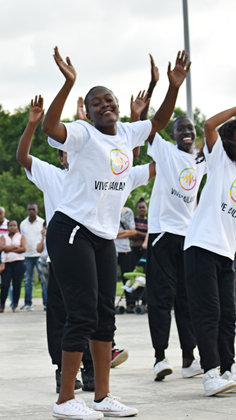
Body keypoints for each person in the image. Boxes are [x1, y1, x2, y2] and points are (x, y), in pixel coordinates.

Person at [41, 46, 188, 419]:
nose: (105, 105)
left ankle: (103, 397)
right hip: (71, 229)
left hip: (103, 236)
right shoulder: (83, 135)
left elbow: (158, 121)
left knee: (106, 315)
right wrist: (67, 83)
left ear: (118, 107)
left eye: (110, 100)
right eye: (97, 102)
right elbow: (49, 127)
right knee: (82, 314)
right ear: (88, 112)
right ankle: (65, 400)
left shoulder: (126, 132)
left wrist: (172, 87)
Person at [18, 94, 156, 396]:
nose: (70, 153)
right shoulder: (52, 174)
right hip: (64, 250)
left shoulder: (100, 161)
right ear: (62, 154)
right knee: (66, 316)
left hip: (96, 243)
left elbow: (123, 156)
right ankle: (64, 379)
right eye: (65, 150)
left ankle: (96, 380)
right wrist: (33, 124)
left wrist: (137, 116)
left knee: (98, 313)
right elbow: (25, 155)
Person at [145, 105, 208, 381]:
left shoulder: (199, 161)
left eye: (190, 129)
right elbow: (147, 128)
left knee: (186, 299)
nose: (186, 132)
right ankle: (160, 358)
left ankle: (188, 359)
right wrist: (150, 94)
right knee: (161, 298)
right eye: (181, 128)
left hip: (188, 236)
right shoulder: (165, 152)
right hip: (162, 233)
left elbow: (220, 143)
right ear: (172, 135)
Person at [183, 106, 236, 396]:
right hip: (201, 246)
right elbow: (210, 124)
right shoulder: (221, 160)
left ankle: (228, 369)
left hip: (227, 253)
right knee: (209, 313)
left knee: (228, 314)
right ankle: (211, 373)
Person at [0, 220, 26, 313]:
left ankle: (15, 305)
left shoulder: (21, 237)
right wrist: (16, 247)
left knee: (17, 284)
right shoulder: (3, 237)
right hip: (6, 263)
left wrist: (8, 248)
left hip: (18, 262)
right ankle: (2, 306)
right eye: (10, 225)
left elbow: (23, 248)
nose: (12, 227)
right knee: (4, 284)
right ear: (8, 227)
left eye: (14, 225)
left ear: (17, 227)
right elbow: (1, 247)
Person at [19, 203, 44, 311]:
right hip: (27, 255)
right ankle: (28, 303)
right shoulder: (23, 224)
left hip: (39, 255)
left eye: (33, 209)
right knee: (28, 280)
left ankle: (46, 304)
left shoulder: (42, 222)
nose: (31, 211)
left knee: (44, 280)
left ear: (37, 210)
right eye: (29, 209)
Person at [115, 206, 137, 311]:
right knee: (110, 277)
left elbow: (133, 231)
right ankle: (109, 303)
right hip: (111, 248)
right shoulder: (109, 207)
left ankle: (130, 303)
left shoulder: (128, 212)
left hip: (125, 249)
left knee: (127, 276)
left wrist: (116, 234)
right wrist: (125, 233)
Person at [131, 198, 148, 267]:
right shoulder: (133, 220)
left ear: (146, 208)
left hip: (145, 251)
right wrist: (145, 235)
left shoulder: (149, 221)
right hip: (134, 250)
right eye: (140, 207)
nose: (142, 209)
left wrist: (137, 232)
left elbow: (150, 236)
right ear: (137, 209)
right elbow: (131, 235)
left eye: (143, 207)